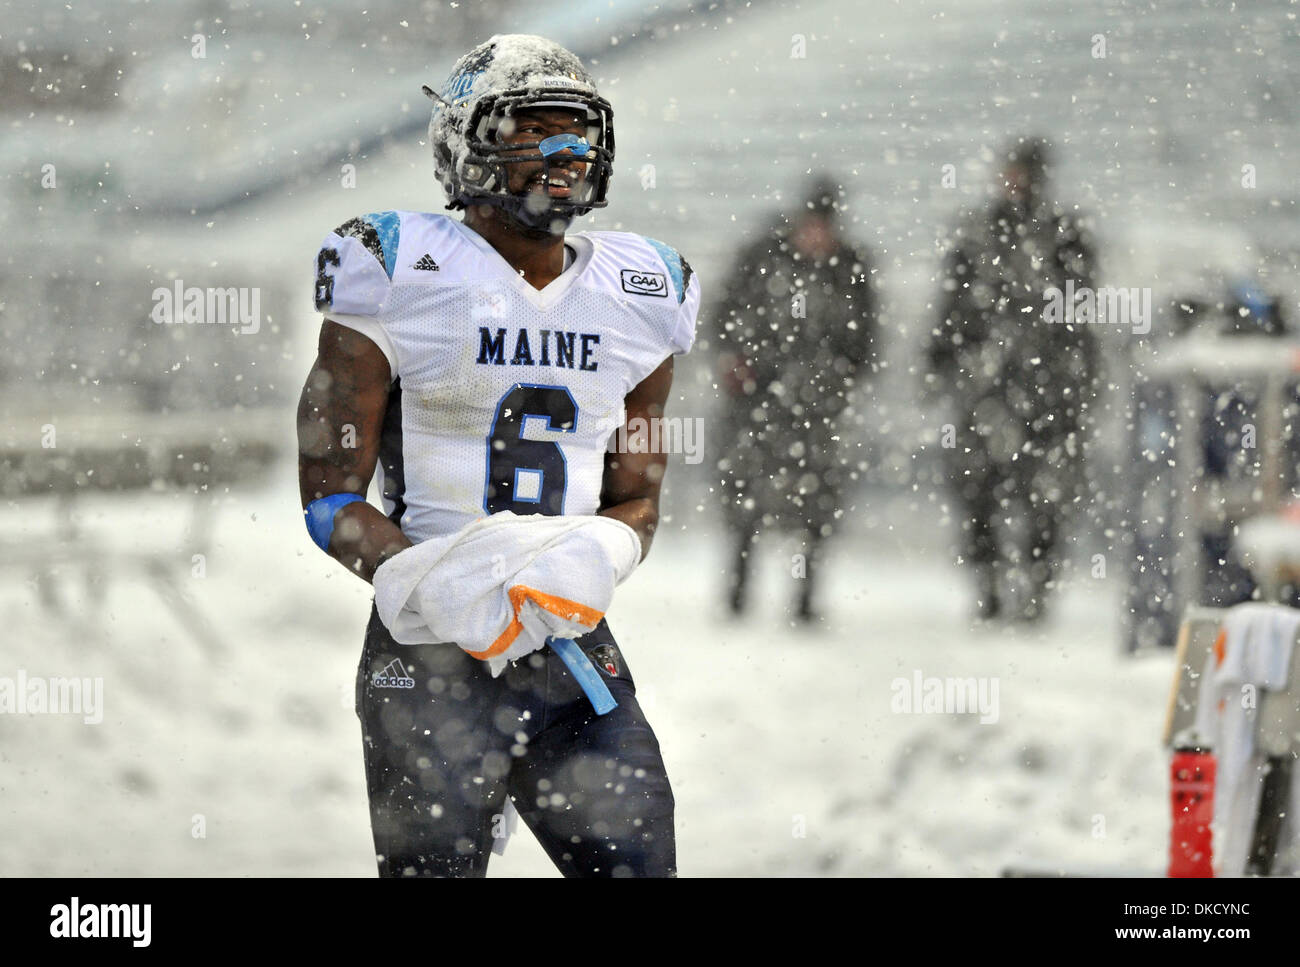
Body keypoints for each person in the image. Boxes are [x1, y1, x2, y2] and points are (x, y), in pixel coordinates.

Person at [296, 35, 700, 877]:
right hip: (427, 653)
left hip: (570, 647)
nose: (564, 152)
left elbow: (638, 499)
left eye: (578, 131)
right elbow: (330, 493)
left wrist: (595, 554)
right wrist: (431, 581)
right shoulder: (397, 264)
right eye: (533, 128)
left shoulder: (642, 289)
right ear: (468, 144)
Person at [925, 136, 1099, 623]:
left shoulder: (1066, 238)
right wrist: (942, 362)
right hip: (986, 388)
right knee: (978, 493)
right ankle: (990, 589)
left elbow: (1082, 316)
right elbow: (951, 308)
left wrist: (1080, 382)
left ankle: (1037, 592)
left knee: (1046, 500)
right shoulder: (977, 234)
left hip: (1048, 389)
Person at [711, 175, 877, 622]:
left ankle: (804, 600)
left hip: (819, 406)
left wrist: (838, 381)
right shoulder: (761, 258)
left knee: (816, 510)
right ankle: (737, 594)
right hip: (756, 401)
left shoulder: (850, 266)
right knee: (744, 502)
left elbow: (865, 338)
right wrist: (735, 361)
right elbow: (722, 317)